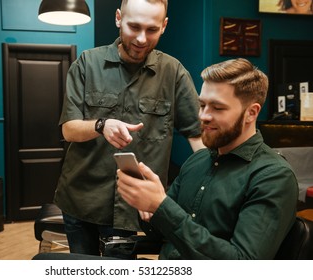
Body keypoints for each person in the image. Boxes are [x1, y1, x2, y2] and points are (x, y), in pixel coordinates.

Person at [54, 0, 205, 257]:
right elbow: (68, 130)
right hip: (81, 198)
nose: (142, 39)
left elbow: (197, 138)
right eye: (134, 27)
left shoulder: (174, 72)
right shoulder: (87, 64)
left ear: (164, 26)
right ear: (118, 18)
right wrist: (102, 125)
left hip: (136, 205)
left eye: (152, 29)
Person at [117, 58, 299, 259]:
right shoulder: (197, 161)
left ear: (251, 112)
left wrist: (162, 207)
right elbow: (162, 231)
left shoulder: (273, 177)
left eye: (217, 108)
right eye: (202, 105)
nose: (204, 116)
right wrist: (147, 206)